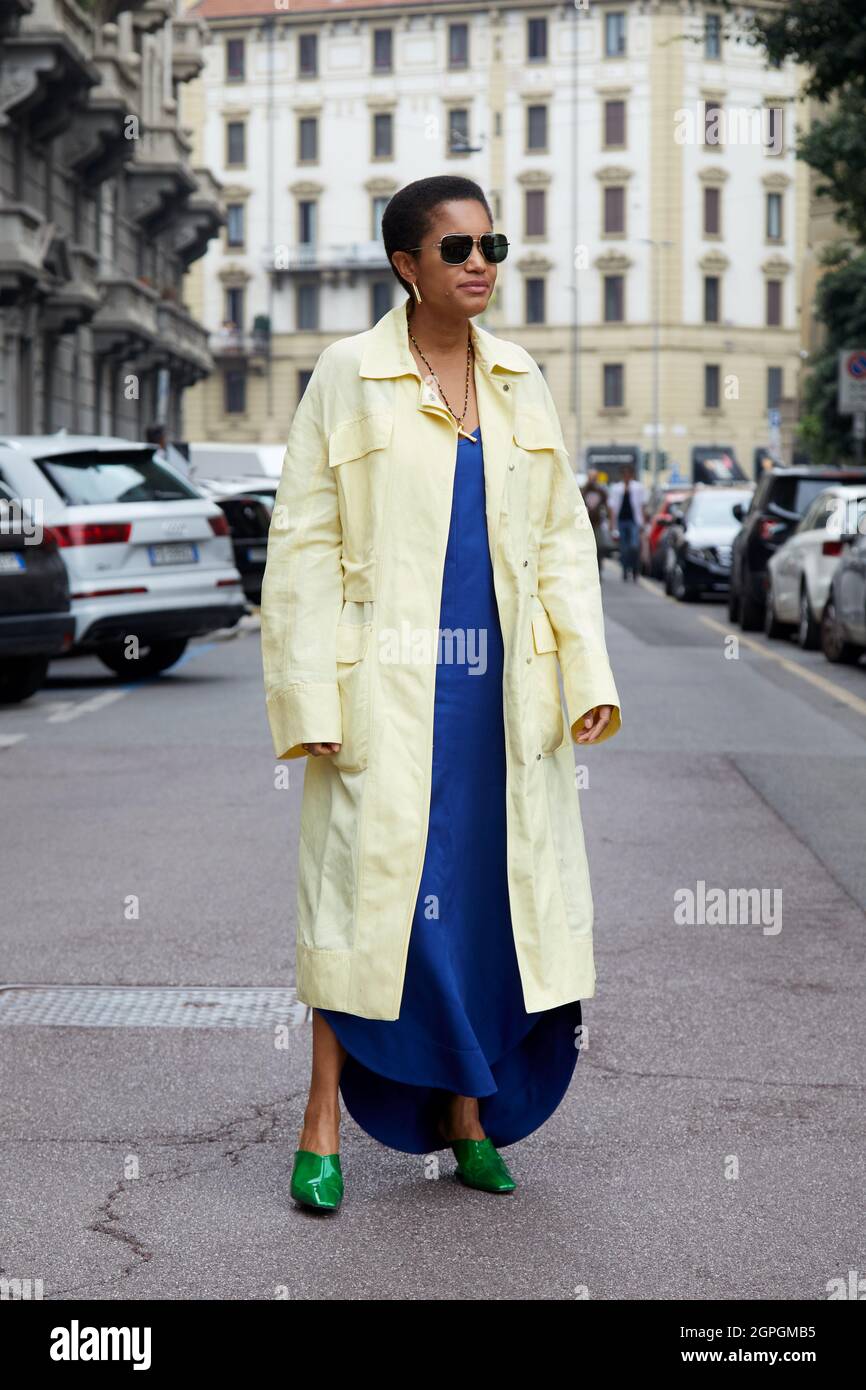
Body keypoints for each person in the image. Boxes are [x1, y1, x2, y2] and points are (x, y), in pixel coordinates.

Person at [259, 175, 623, 1212]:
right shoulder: (346, 375)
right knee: (358, 908)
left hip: (501, 703)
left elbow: (560, 544)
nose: (479, 264)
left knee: (483, 907)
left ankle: (469, 1114)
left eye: (490, 245)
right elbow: (303, 544)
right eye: (455, 248)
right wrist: (311, 700)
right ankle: (319, 1121)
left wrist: (582, 677)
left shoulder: (520, 379)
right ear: (404, 266)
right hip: (382, 693)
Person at [607, 463, 646, 582]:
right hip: (621, 521)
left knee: (634, 546)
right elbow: (612, 508)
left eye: (629, 474)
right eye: (624, 474)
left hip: (634, 521)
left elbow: (642, 506)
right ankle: (625, 570)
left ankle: (634, 569)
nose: (627, 476)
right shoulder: (616, 488)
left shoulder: (638, 487)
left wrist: (643, 523)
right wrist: (612, 525)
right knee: (624, 548)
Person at [580, 468, 610, 577]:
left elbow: (606, 506)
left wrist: (608, 519)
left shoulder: (601, 491)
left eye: (594, 477)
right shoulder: (583, 490)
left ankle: (598, 569)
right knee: (585, 548)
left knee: (599, 547)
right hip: (584, 524)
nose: (593, 480)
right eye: (591, 477)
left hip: (597, 523)